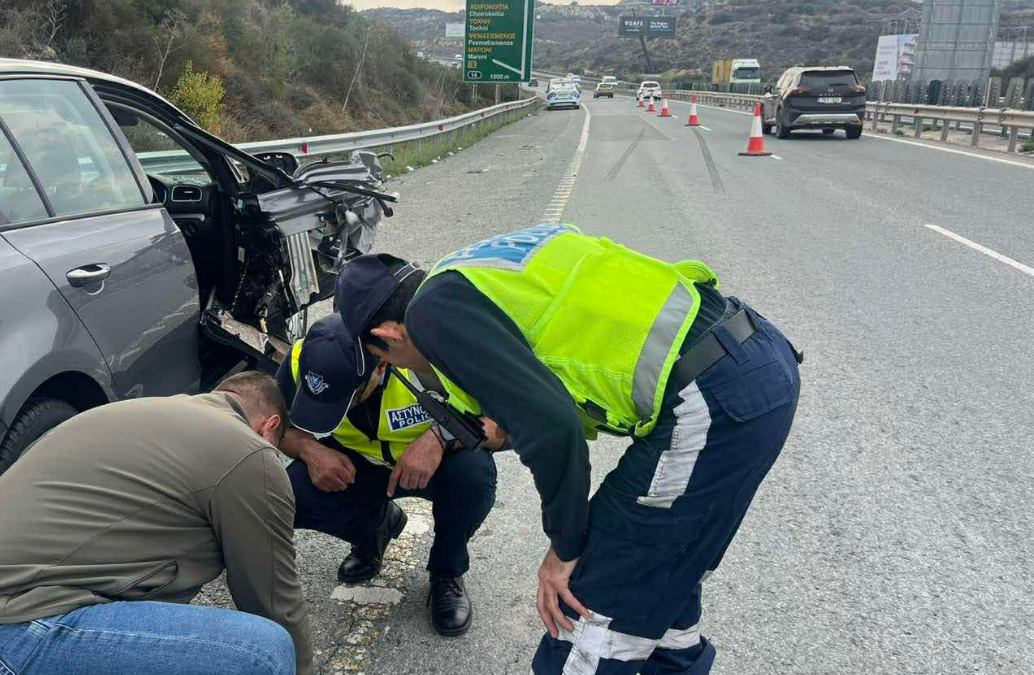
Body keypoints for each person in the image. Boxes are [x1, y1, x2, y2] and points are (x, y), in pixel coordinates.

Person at [334, 225, 802, 675]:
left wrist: (564, 547)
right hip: (751, 357)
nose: (402, 368)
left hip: (708, 397)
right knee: (658, 575)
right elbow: (552, 367)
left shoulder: (428, 316)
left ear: (390, 335)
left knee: (586, 609)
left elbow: (555, 428)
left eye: (385, 359)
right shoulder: (470, 272)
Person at [0, 372, 311, 675]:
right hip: (2, 634)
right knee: (264, 650)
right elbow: (275, 602)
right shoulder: (247, 452)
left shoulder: (146, 418)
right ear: (268, 426)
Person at [275, 311, 502, 636]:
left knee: (474, 474)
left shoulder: (432, 359)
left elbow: (503, 424)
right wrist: (311, 451)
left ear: (381, 365)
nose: (339, 409)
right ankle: (374, 528)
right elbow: (278, 425)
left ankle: (446, 572)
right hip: (359, 464)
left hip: (438, 466)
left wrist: (440, 438)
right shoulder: (303, 359)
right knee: (289, 494)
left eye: (347, 398)